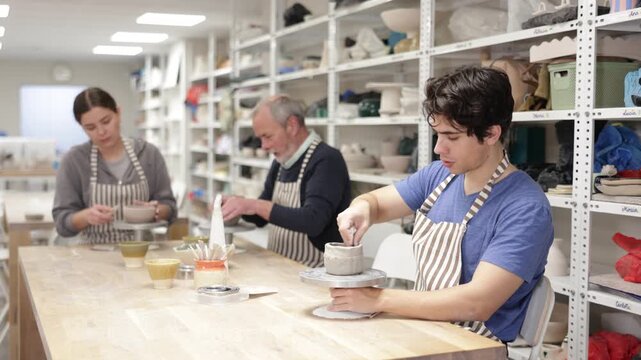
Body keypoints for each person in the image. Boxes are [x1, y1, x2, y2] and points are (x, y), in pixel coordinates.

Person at [332, 66, 553, 343]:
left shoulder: (525, 208)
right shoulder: (439, 176)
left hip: (473, 348)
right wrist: (360, 208)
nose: (439, 148)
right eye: (437, 134)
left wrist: (376, 298)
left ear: (491, 134)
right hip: (424, 329)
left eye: (452, 137)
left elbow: (477, 302)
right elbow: (375, 202)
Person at [221, 95, 351, 267]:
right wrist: (237, 205)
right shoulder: (281, 162)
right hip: (282, 265)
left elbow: (313, 221)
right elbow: (261, 218)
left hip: (317, 271)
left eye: (267, 136)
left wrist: (254, 205)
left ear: (292, 125)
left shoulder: (326, 160)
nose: (264, 146)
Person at [53, 87, 177, 244]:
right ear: (82, 127)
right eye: (90, 128)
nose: (101, 131)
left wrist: (156, 211)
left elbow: (170, 209)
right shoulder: (74, 160)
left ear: (118, 112)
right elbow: (61, 222)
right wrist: (86, 217)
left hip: (143, 249)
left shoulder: (149, 154)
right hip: (92, 254)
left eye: (106, 121)